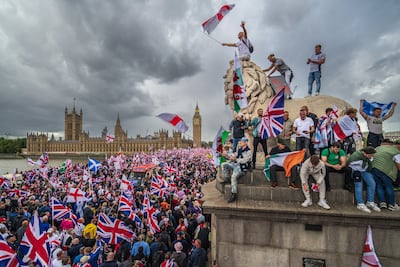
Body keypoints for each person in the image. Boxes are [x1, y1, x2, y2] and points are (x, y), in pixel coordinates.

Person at [347, 146, 380, 213]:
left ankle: (370, 202)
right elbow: (349, 164)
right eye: (370, 155)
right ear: (365, 153)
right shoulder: (355, 156)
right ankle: (360, 203)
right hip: (356, 170)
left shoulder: (368, 158)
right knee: (359, 185)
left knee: (372, 183)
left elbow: (369, 164)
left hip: (365, 171)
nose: (372, 156)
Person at [371, 140, 400, 210]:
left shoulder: (377, 148)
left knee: (379, 186)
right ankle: (391, 205)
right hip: (385, 171)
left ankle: (382, 203)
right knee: (388, 186)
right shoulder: (395, 151)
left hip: (374, 169)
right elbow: (399, 166)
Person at [221, 137, 252, 203]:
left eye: (242, 142)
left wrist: (235, 159)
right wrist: (227, 156)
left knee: (234, 177)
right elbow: (234, 156)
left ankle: (234, 194)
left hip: (242, 167)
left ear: (246, 143)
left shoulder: (249, 151)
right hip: (235, 165)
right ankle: (227, 179)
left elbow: (244, 160)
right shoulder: (239, 149)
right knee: (224, 165)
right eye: (240, 141)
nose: (240, 142)